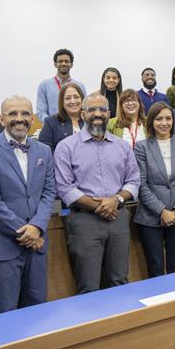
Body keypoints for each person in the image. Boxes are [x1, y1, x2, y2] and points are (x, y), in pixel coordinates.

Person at [0, 96, 55, 314]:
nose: (19, 118)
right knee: (5, 316)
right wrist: (27, 233)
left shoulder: (44, 151)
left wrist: (37, 226)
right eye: (13, 114)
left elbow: (48, 193)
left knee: (37, 313)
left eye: (25, 113)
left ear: (32, 119)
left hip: (36, 249)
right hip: (1, 248)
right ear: (2, 119)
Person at [53, 92, 140, 294]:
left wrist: (116, 200)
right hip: (84, 221)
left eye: (102, 109)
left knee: (119, 281)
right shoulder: (66, 147)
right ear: (82, 114)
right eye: (91, 109)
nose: (97, 114)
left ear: (109, 113)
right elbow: (65, 188)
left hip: (118, 219)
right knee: (89, 285)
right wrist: (101, 206)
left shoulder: (122, 146)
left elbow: (134, 180)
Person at [133, 102, 175, 277]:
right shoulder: (141, 147)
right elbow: (141, 184)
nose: (164, 123)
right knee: (155, 267)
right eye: (159, 119)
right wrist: (162, 211)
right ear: (151, 122)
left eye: (168, 118)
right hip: (150, 217)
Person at [36, 48, 86, 123]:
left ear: (71, 64)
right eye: (60, 61)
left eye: (66, 61)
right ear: (55, 64)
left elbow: (84, 108)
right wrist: (52, 124)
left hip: (75, 126)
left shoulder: (80, 86)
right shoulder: (44, 86)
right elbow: (41, 112)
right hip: (53, 127)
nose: (63, 63)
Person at [38, 82, 85, 152]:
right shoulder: (51, 122)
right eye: (68, 98)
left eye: (76, 97)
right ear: (62, 102)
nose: (73, 101)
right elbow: (44, 151)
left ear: (82, 99)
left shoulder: (90, 120)